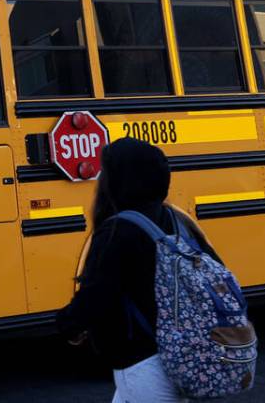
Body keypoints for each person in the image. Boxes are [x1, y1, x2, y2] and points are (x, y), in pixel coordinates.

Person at [58, 138, 222, 403]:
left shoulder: (119, 229)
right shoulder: (177, 220)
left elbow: (97, 295)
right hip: (187, 352)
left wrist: (68, 323)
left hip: (144, 363)